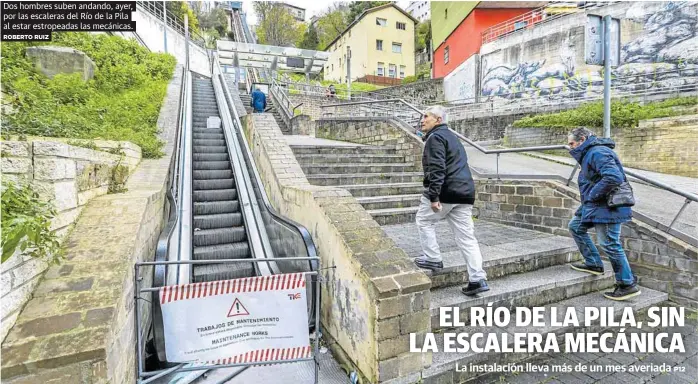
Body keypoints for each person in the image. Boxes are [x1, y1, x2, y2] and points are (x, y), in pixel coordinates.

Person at [413, 106, 489, 296]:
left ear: (438, 119)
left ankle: (432, 258)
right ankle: (477, 278)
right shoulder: (453, 137)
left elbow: (437, 168)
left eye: (426, 116)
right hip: (465, 193)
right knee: (467, 238)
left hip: (447, 191)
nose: (422, 120)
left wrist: (434, 196)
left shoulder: (435, 137)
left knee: (424, 220)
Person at [567, 127, 640, 301]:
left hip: (606, 206)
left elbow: (613, 177)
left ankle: (626, 284)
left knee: (609, 243)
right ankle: (593, 263)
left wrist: (592, 196)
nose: (570, 147)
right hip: (595, 205)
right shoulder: (590, 153)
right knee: (576, 226)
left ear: (582, 139)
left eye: (572, 143)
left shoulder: (597, 152)